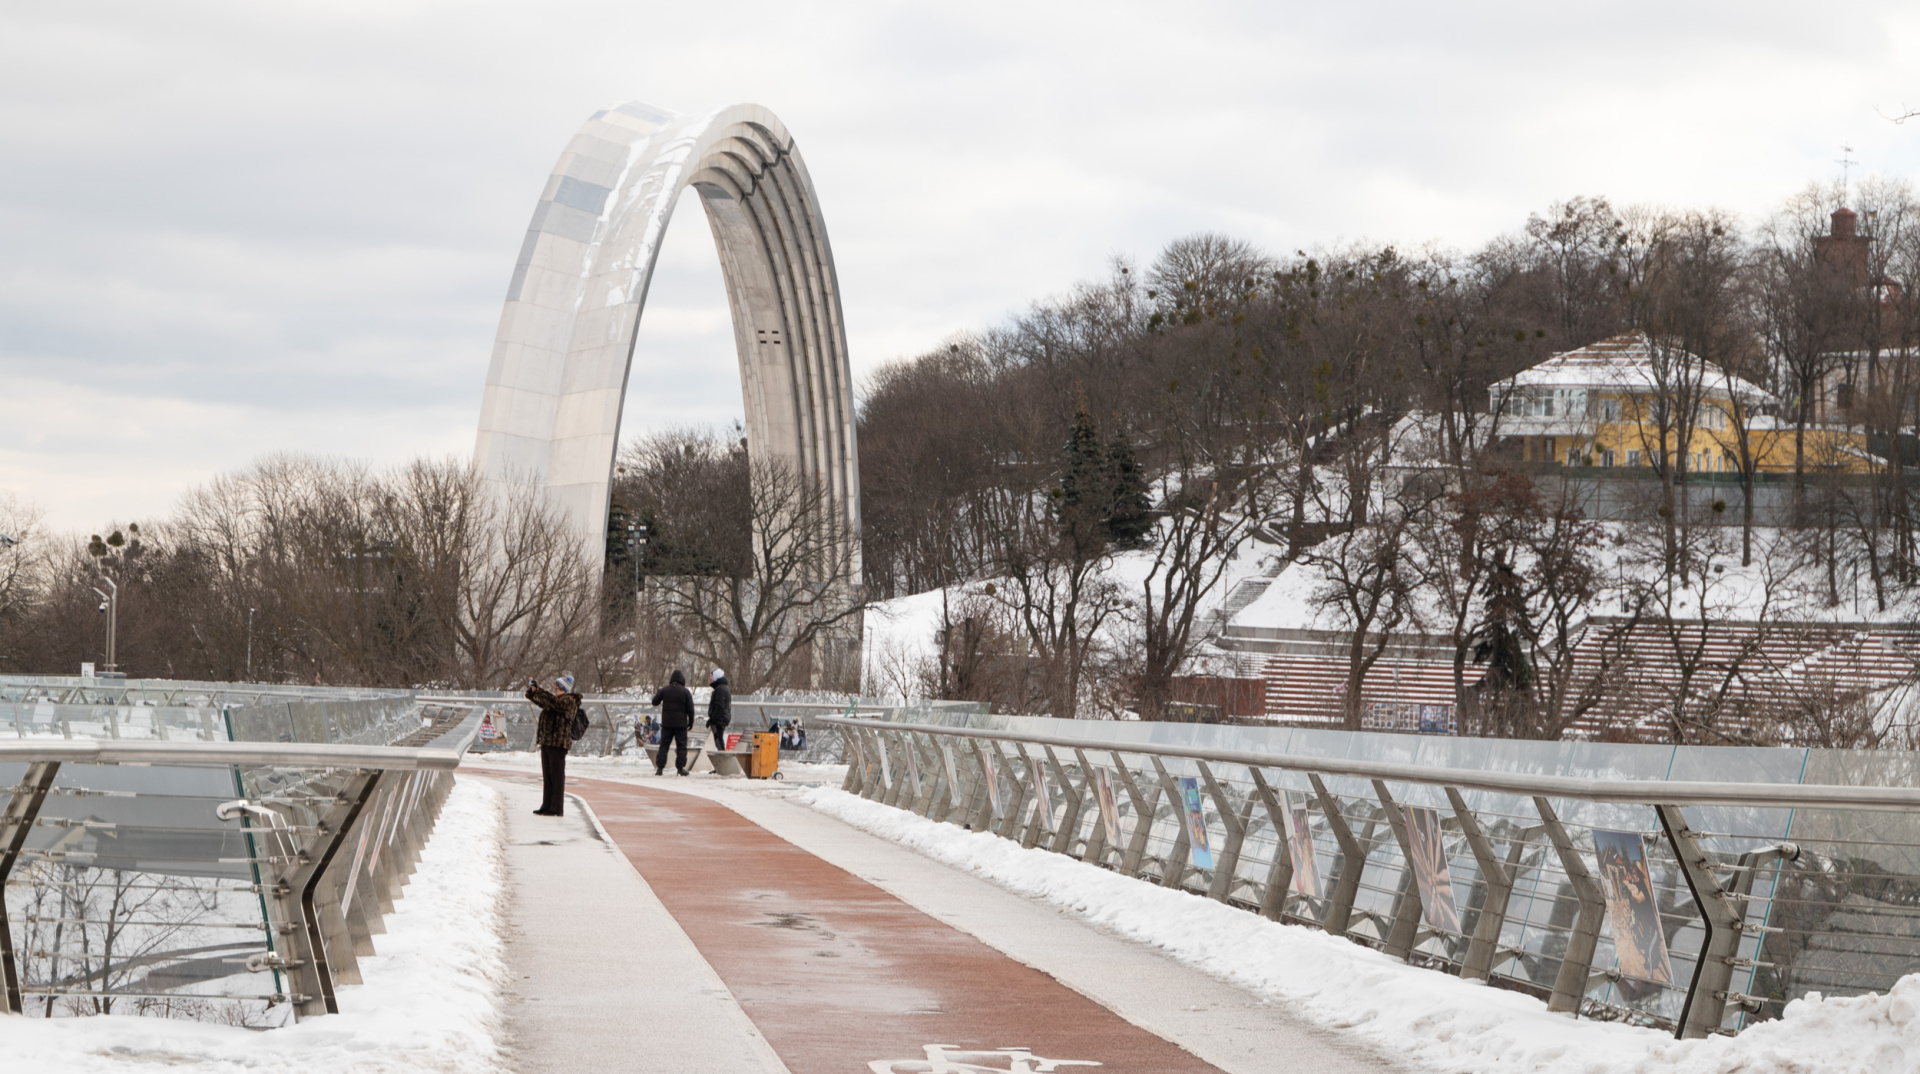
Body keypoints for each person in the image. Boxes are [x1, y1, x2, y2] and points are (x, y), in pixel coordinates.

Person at [525, 674, 581, 815]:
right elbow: (543, 701)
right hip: (548, 742)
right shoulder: (556, 701)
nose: (554, 691)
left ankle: (556, 808)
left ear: (564, 689)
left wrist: (539, 690)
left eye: (557, 688)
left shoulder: (569, 701)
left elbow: (551, 701)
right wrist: (533, 691)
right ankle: (547, 805)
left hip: (558, 743)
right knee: (548, 776)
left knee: (556, 777)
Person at [649, 669, 695, 775]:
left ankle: (660, 768)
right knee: (681, 746)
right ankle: (680, 768)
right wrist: (691, 722)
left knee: (664, 746)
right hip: (681, 724)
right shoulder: (685, 691)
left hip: (667, 724)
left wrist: (658, 692)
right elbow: (690, 709)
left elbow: (654, 702)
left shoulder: (665, 690)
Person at [706, 668, 732, 747]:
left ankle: (722, 757)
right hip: (722, 718)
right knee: (719, 740)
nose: (710, 678)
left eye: (711, 676)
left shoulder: (719, 689)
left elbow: (719, 707)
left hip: (719, 719)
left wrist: (712, 720)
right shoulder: (724, 688)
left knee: (719, 740)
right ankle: (721, 755)